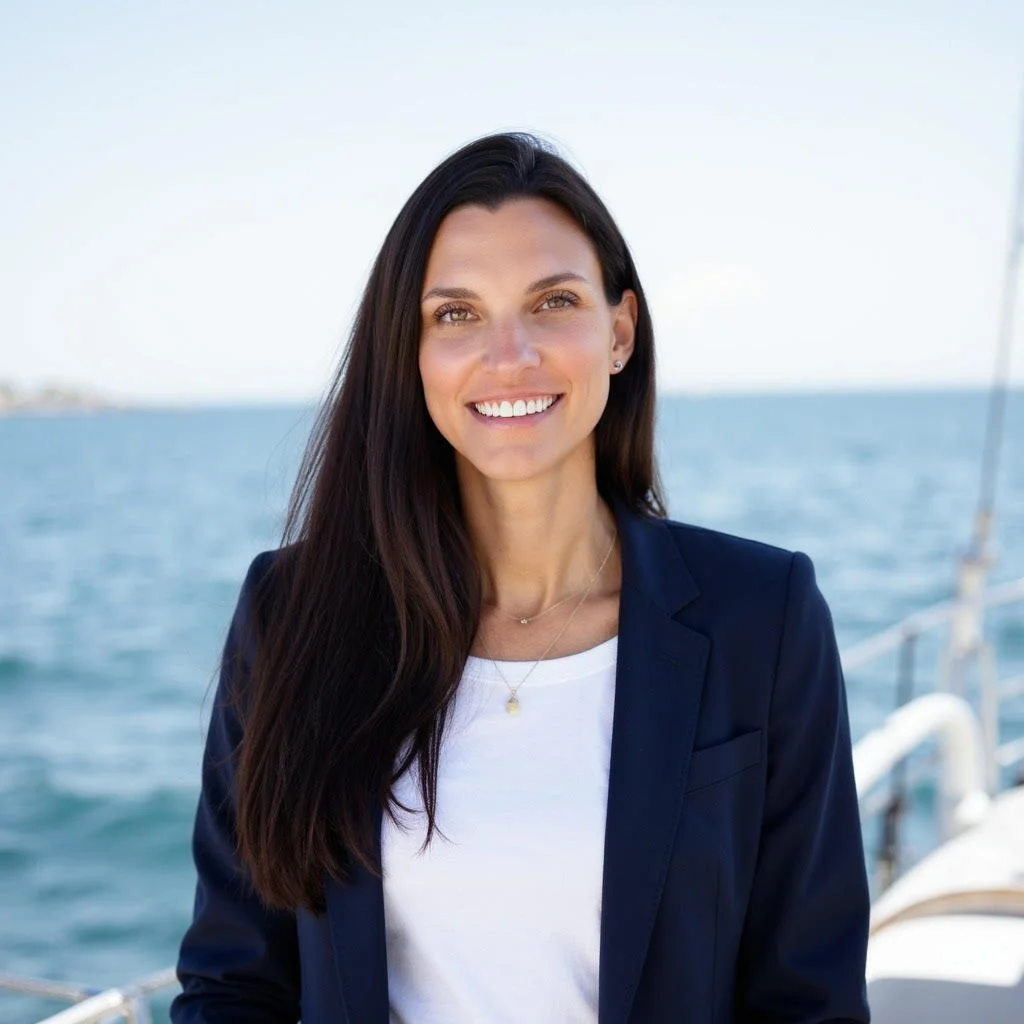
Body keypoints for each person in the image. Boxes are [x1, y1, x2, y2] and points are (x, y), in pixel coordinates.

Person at [171, 132, 871, 1023]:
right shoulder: (293, 615)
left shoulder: (761, 618)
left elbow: (807, 998)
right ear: (411, 354)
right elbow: (236, 985)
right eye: (456, 315)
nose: (509, 356)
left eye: (552, 302)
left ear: (618, 333)